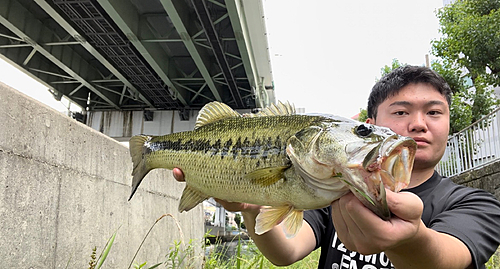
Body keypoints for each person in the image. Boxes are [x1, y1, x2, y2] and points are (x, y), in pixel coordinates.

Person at [172, 66, 500, 269]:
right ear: (372, 123)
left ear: (447, 123)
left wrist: (408, 240)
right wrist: (250, 207)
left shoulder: (477, 204)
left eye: (434, 112)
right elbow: (287, 251)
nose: (417, 125)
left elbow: (448, 259)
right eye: (400, 113)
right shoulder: (330, 191)